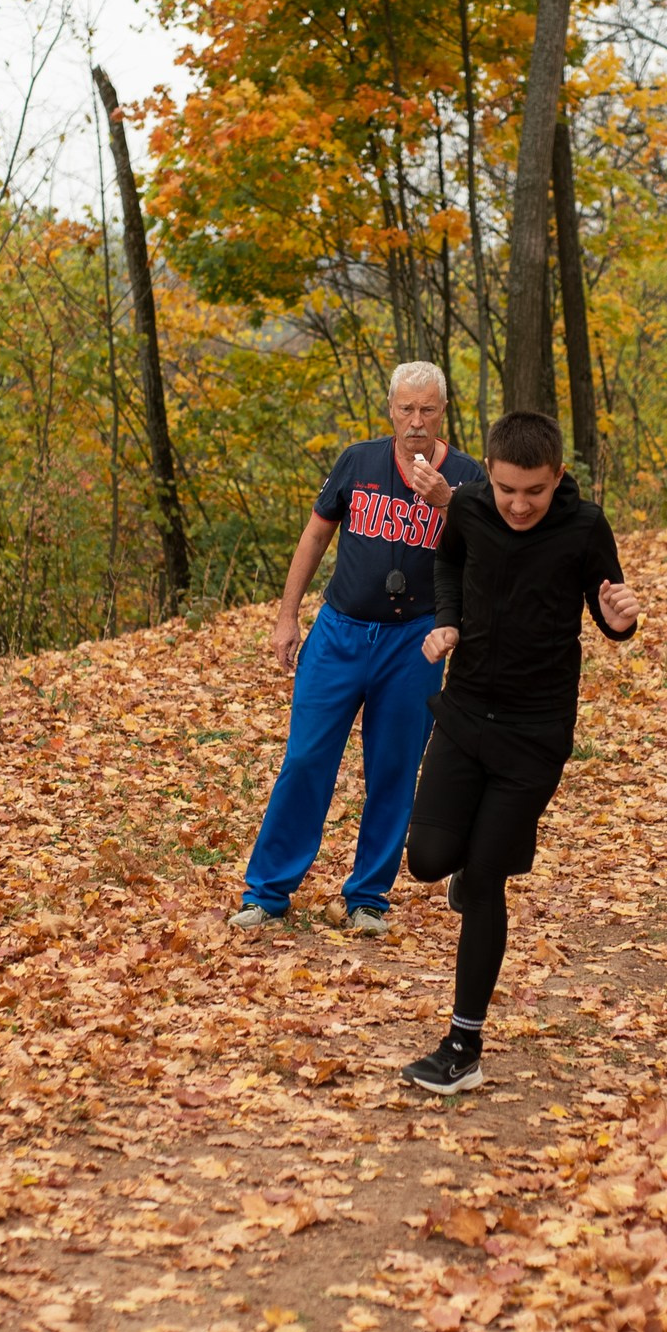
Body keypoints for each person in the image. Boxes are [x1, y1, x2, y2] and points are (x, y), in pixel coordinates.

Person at [398, 409, 639, 1094]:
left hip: (534, 733)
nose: (519, 503)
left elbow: (607, 604)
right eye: (507, 488)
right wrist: (447, 622)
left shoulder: (585, 525)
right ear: (491, 477)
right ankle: (468, 874)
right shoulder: (470, 504)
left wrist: (620, 623)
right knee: (429, 860)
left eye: (534, 489)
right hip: (466, 709)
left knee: (488, 880)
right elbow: (448, 557)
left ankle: (462, 1045)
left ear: (557, 476)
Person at [231, 362, 480, 935]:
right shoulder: (357, 461)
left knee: (393, 771)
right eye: (406, 409)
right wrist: (288, 615)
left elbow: (487, 555)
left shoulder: (468, 476)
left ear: (444, 411)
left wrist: (447, 501)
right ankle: (267, 893)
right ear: (390, 409)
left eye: (428, 410)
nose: (416, 421)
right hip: (340, 632)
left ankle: (367, 897)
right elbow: (317, 533)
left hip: (413, 643)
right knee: (305, 760)